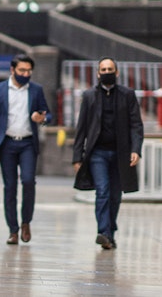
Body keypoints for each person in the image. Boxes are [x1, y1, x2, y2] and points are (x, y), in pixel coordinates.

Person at [72, 57, 142, 250]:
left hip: (121, 153)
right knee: (102, 191)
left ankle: (110, 231)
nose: (107, 72)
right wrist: (77, 156)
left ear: (117, 72)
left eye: (110, 69)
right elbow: (82, 128)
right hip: (97, 153)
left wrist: (136, 149)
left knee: (115, 196)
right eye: (103, 69)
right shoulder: (89, 96)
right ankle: (103, 231)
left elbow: (136, 124)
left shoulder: (127, 95)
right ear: (98, 73)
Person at [0, 53, 52, 245]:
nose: (26, 74)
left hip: (28, 144)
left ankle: (26, 222)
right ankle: (13, 230)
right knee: (10, 187)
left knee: (29, 181)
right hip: (6, 145)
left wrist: (43, 119)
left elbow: (48, 114)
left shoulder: (36, 90)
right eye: (22, 70)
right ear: (12, 70)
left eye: (29, 71)